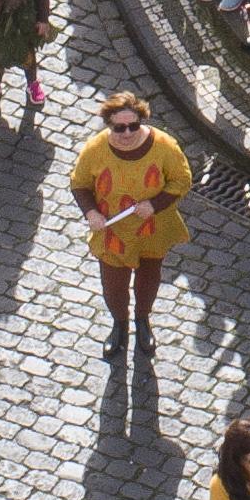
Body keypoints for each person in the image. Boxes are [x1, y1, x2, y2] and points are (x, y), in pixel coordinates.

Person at [69, 89, 191, 358]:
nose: (127, 133)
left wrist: (155, 204)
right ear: (109, 125)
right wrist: (91, 213)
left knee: (148, 278)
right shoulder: (95, 149)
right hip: (113, 232)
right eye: (119, 127)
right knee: (113, 285)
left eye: (133, 126)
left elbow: (181, 180)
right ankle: (120, 324)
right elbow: (79, 184)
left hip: (152, 229)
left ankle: (142, 320)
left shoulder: (164, 146)